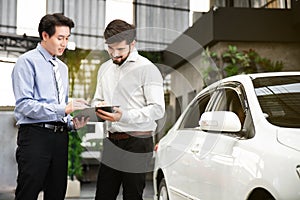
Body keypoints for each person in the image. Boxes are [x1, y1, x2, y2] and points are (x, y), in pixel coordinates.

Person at [11, 13, 89, 200]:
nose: (64, 43)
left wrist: (71, 122)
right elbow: (24, 105)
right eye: (60, 38)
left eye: (67, 38)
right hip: (35, 137)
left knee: (57, 193)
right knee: (27, 193)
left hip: (60, 138)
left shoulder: (62, 68)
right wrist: (63, 109)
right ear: (45, 36)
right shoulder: (27, 62)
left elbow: (62, 105)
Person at [92, 19, 165, 200]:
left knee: (132, 195)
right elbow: (97, 98)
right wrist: (98, 107)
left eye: (120, 49)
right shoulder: (104, 69)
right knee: (103, 195)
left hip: (138, 142)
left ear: (132, 44)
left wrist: (123, 116)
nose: (115, 54)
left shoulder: (147, 69)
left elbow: (157, 109)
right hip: (112, 141)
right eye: (110, 48)